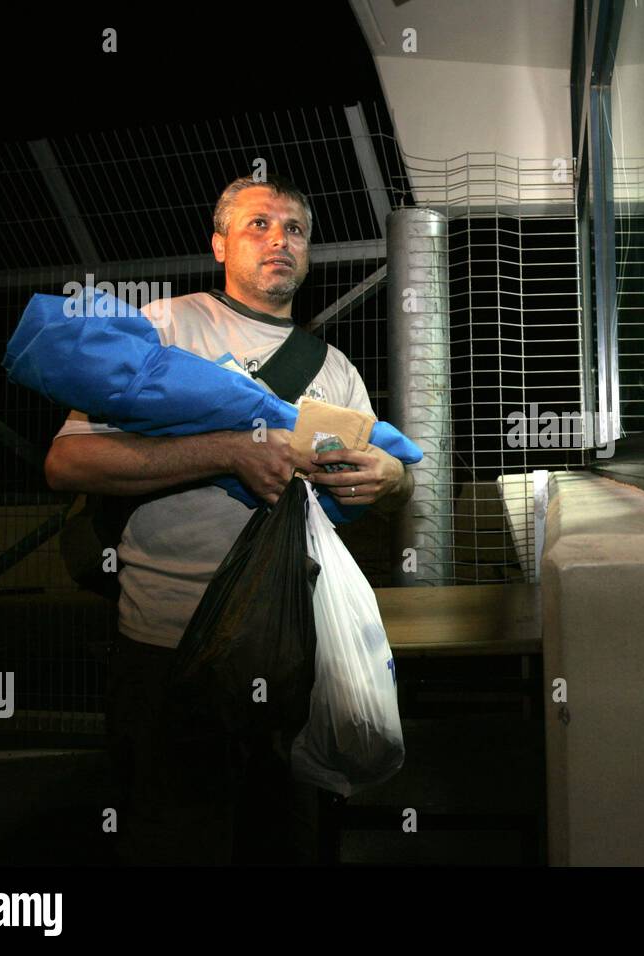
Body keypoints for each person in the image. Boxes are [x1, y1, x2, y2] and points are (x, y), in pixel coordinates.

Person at [44, 174, 414, 864]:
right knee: (177, 841)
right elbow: (67, 463)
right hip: (168, 650)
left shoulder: (333, 370)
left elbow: (382, 484)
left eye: (295, 230)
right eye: (258, 225)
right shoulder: (165, 326)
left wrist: (393, 478)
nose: (280, 240)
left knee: (290, 842)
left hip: (295, 650)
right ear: (219, 244)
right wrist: (228, 450)